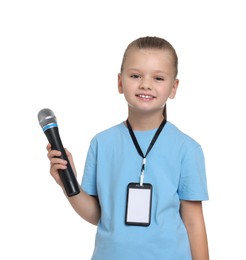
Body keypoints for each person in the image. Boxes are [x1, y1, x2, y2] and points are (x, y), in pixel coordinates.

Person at [47, 36, 209, 260]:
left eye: (158, 78)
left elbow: (194, 222)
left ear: (174, 88)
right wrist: (68, 183)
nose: (146, 84)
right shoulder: (101, 143)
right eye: (135, 75)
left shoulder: (187, 148)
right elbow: (98, 215)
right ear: (120, 82)